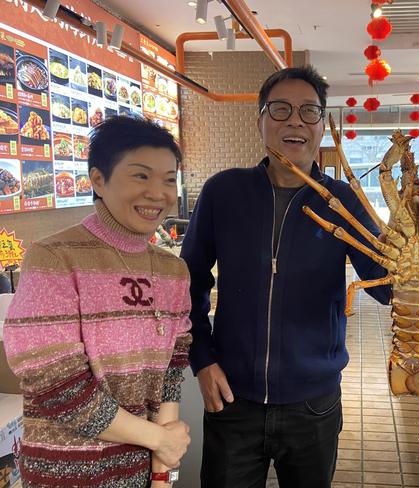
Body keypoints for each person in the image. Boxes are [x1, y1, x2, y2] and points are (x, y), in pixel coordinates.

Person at [181, 65, 391, 488]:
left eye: (309, 111)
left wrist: (418, 258)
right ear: (260, 121)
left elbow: (386, 285)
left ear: (320, 127)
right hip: (231, 398)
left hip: (313, 402)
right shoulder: (224, 192)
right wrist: (202, 359)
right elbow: (189, 284)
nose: (295, 120)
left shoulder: (342, 200)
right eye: (280, 109)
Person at [3, 116, 192, 488]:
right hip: (69, 472)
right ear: (98, 180)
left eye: (169, 179)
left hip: (143, 469)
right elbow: (56, 382)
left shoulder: (173, 271)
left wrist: (162, 472)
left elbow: (173, 366)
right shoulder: (54, 257)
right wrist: (159, 440)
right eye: (140, 176)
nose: (158, 192)